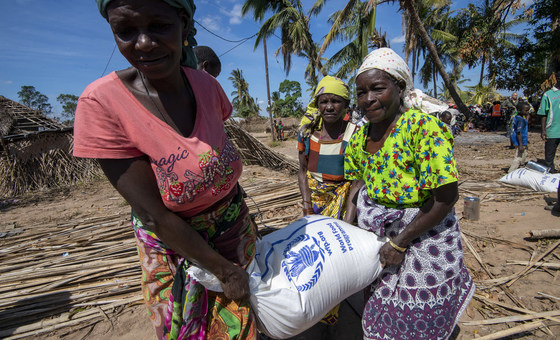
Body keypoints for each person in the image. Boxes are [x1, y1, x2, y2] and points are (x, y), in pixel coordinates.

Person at [73, 1, 257, 339]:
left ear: (184, 25)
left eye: (158, 25)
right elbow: (154, 214)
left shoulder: (207, 86)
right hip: (175, 247)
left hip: (236, 229)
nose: (142, 43)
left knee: (249, 324)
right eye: (126, 31)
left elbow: (213, 155)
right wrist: (226, 272)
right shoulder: (101, 104)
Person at [343, 48, 474, 340]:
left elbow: (445, 196)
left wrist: (400, 242)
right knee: (378, 303)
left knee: (420, 316)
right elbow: (356, 185)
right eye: (361, 92)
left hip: (424, 235)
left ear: (400, 88)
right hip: (377, 238)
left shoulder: (422, 129)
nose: (368, 99)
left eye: (378, 88)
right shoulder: (360, 138)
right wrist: (347, 230)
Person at [297, 76, 358, 220]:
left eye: (336, 101)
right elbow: (302, 172)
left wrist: (347, 224)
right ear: (317, 104)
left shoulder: (355, 134)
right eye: (324, 102)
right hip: (314, 205)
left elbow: (357, 182)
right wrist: (307, 209)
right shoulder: (307, 134)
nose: (329, 107)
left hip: (347, 207)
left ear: (346, 104)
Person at [537, 65, 560, 173]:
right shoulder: (548, 94)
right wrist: (543, 130)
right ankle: (550, 172)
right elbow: (543, 114)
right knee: (549, 155)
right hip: (552, 131)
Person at [508, 102, 530, 173]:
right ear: (520, 111)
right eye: (526, 110)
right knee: (519, 158)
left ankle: (520, 169)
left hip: (520, 141)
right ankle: (511, 171)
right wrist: (521, 144)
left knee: (523, 156)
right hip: (520, 142)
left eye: (528, 110)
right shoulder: (521, 120)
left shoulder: (516, 118)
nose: (527, 112)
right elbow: (519, 132)